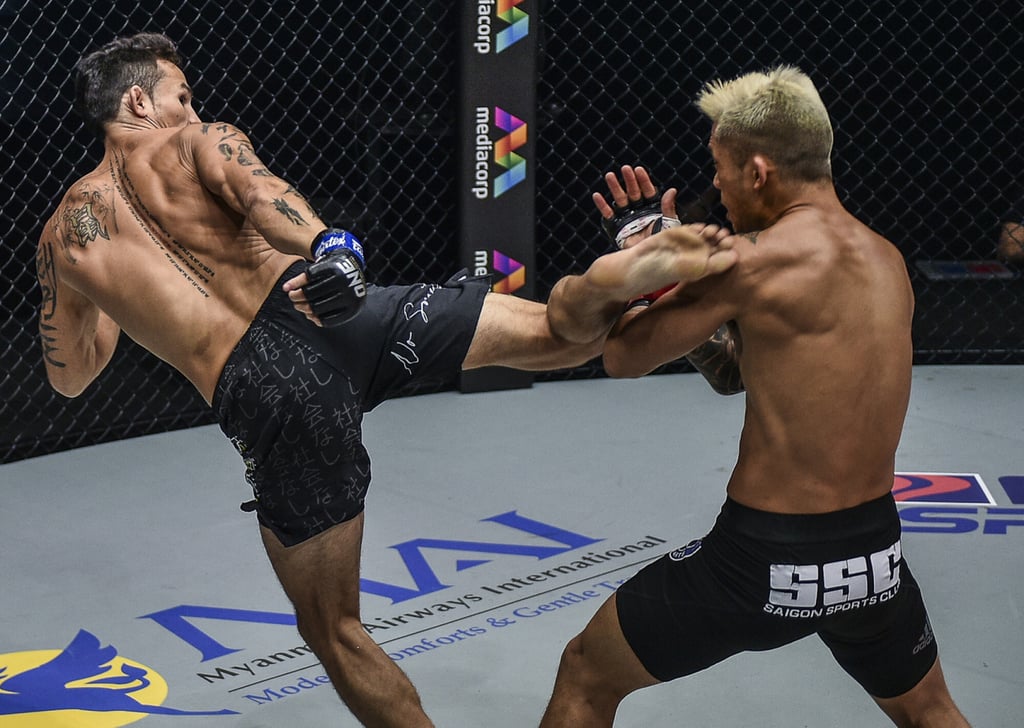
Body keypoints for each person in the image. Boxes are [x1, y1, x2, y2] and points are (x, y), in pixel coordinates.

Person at [36, 33, 731, 727]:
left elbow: (70, 375)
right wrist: (331, 247)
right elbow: (261, 192)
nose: (191, 109)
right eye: (181, 95)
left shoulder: (62, 241)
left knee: (334, 629)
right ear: (139, 100)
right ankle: (659, 300)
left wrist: (121, 299)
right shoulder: (198, 140)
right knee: (557, 334)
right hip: (332, 310)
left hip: (267, 389)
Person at [541, 66, 970, 727]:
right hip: (872, 560)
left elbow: (624, 357)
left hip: (762, 562)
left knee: (585, 674)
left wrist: (644, 267)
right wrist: (681, 279)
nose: (715, 186)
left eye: (721, 170)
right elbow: (735, 373)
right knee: (929, 709)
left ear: (759, 172)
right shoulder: (887, 259)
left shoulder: (751, 261)